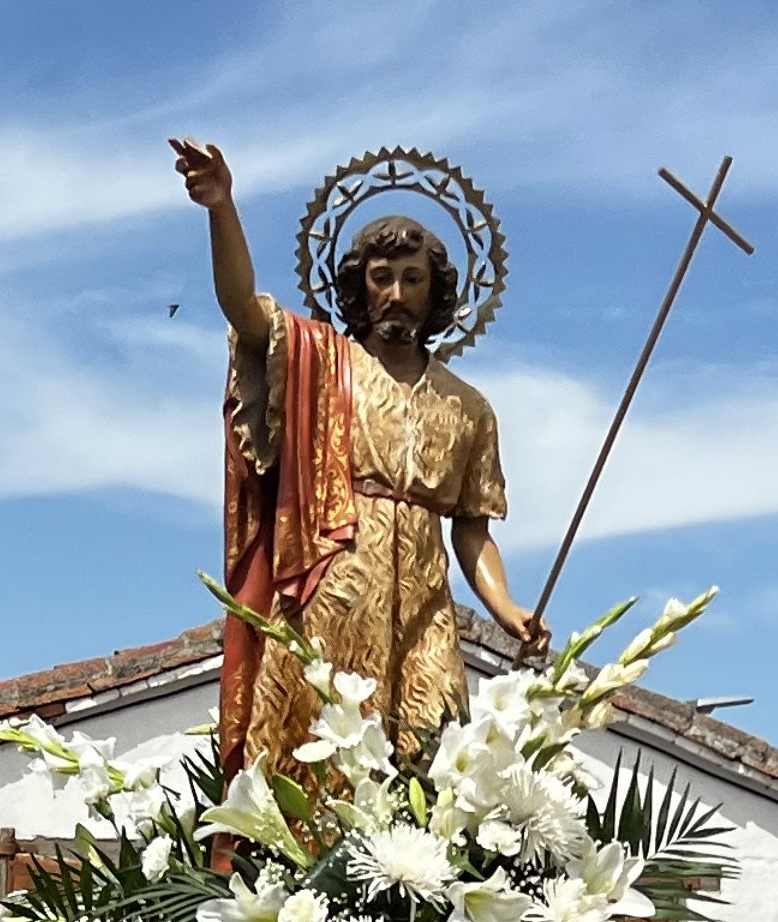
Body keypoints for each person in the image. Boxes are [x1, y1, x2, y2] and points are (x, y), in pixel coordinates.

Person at [175, 134, 547, 777]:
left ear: (435, 293)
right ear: (359, 287)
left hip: (429, 607)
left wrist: (506, 606)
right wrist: (222, 208)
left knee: (433, 764)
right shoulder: (322, 362)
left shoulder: (469, 408)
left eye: (412, 279)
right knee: (323, 752)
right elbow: (243, 309)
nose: (397, 293)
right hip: (333, 585)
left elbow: (472, 530)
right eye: (382, 278)